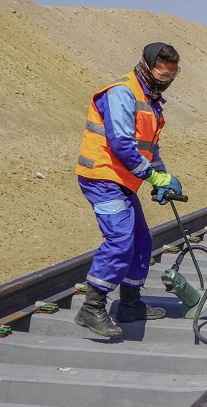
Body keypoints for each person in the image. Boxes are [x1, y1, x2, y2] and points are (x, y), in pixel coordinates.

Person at [74, 42, 182, 338]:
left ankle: (130, 304)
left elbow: (149, 146)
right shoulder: (123, 92)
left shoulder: (151, 98)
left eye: (172, 75)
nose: (166, 80)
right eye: (162, 73)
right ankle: (92, 308)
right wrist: (152, 177)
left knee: (141, 240)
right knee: (120, 239)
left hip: (123, 180)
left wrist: (161, 174)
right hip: (102, 177)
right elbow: (121, 143)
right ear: (147, 67)